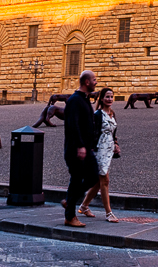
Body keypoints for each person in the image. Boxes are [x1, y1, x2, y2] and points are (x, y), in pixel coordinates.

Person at [60, 70, 101, 228]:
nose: (96, 82)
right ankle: (70, 216)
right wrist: (80, 146)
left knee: (93, 177)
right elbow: (73, 125)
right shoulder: (75, 100)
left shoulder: (84, 99)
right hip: (77, 149)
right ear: (87, 82)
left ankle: (70, 201)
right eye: (94, 80)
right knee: (76, 180)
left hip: (86, 148)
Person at [79, 88, 121, 223]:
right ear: (101, 99)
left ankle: (84, 206)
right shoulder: (97, 114)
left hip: (108, 149)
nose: (110, 99)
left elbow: (113, 133)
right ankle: (109, 213)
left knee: (98, 182)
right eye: (107, 97)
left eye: (111, 96)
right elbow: (91, 133)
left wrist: (116, 143)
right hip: (99, 149)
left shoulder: (112, 114)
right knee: (105, 180)